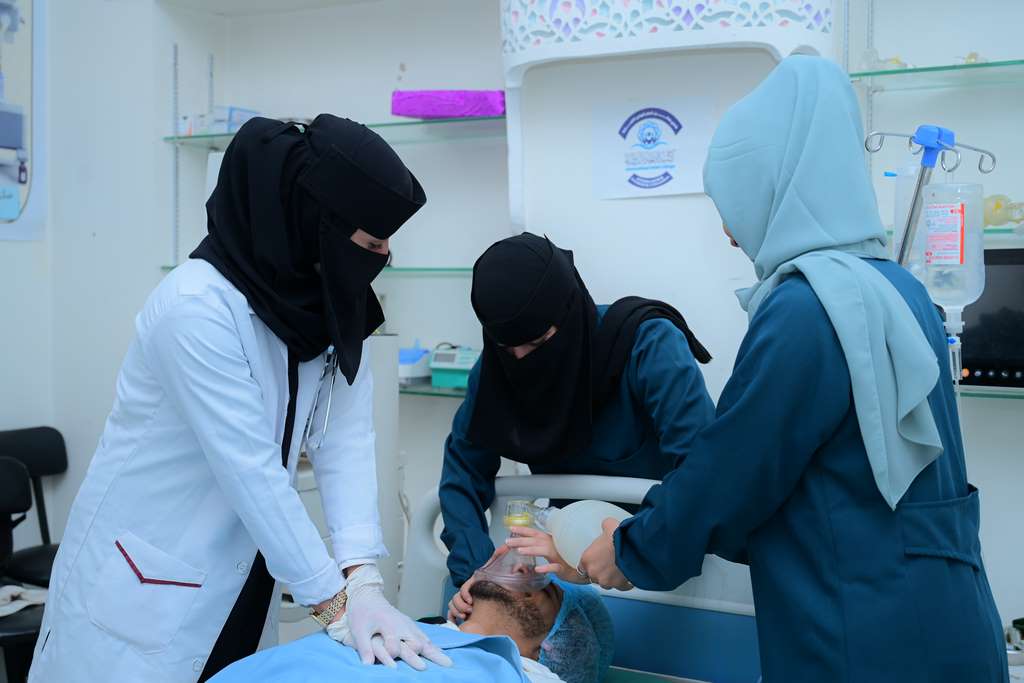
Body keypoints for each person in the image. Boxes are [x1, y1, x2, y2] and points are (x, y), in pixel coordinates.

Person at [577, 56, 1009, 682]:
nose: (729, 234)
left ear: (773, 188)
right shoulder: (901, 289)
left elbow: (733, 471)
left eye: (732, 203)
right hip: (951, 625)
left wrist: (630, 549)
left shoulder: (808, 308)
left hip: (866, 639)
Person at [28, 115, 449, 682]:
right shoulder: (195, 308)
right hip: (143, 591)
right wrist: (335, 604)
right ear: (315, 223)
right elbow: (250, 469)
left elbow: (345, 440)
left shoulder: (326, 304)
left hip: (244, 578)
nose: (384, 257)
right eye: (372, 244)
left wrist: (363, 578)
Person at [440, 233, 715, 619]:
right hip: (564, 572)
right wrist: (477, 572)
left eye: (538, 342)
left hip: (665, 571)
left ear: (570, 311)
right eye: (507, 348)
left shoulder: (648, 346)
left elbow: (702, 469)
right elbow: (462, 475)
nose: (522, 359)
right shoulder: (495, 371)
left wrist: (630, 549)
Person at [210, 571, 613, 683]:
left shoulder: (530, 676)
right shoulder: (382, 624)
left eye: (545, 591)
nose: (523, 571)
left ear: (552, 647)